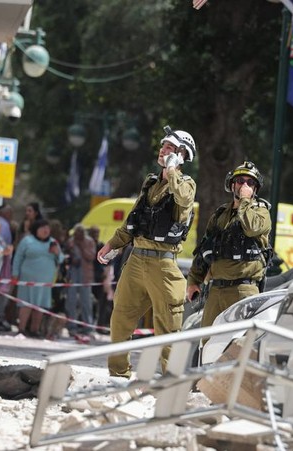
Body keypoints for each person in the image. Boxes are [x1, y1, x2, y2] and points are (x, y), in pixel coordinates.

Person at [97, 125, 197, 379]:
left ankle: (170, 382)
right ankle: (118, 374)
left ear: (182, 155)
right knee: (120, 319)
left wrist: (173, 168)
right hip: (136, 259)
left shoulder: (186, 184)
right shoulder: (151, 182)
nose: (163, 150)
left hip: (164, 265)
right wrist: (113, 244)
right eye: (163, 146)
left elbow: (184, 200)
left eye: (170, 148)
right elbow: (134, 219)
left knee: (168, 330)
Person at [186, 161, 272, 328]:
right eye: (240, 181)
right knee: (208, 342)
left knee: (238, 343)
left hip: (244, 290)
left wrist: (245, 200)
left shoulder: (261, 212)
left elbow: (251, 227)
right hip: (216, 290)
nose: (244, 185)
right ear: (232, 185)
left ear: (255, 188)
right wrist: (193, 280)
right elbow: (205, 248)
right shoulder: (220, 215)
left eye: (250, 182)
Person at [12, 219, 64, 338]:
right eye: (42, 228)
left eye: (47, 228)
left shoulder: (53, 242)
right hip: (27, 279)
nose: (46, 230)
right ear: (36, 230)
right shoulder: (27, 241)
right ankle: (21, 329)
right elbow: (18, 258)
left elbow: (60, 259)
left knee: (40, 305)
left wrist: (57, 253)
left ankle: (34, 330)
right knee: (25, 304)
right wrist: (15, 273)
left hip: (45, 281)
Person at [65, 225, 96, 336]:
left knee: (86, 302)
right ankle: (72, 326)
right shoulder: (70, 241)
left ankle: (88, 327)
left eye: (80, 233)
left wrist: (81, 247)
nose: (78, 235)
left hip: (85, 275)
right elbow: (67, 255)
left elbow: (91, 256)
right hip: (73, 274)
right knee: (71, 301)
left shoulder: (89, 242)